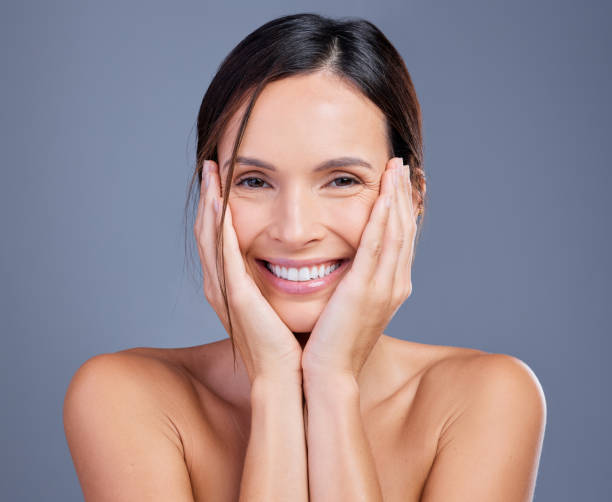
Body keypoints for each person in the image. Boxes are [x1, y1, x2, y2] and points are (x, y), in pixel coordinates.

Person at [63, 12, 546, 501]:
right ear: (213, 198)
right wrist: (274, 386)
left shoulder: (486, 399)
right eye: (253, 181)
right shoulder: (125, 397)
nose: (294, 231)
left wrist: (332, 382)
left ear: (411, 200)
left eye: (341, 180)